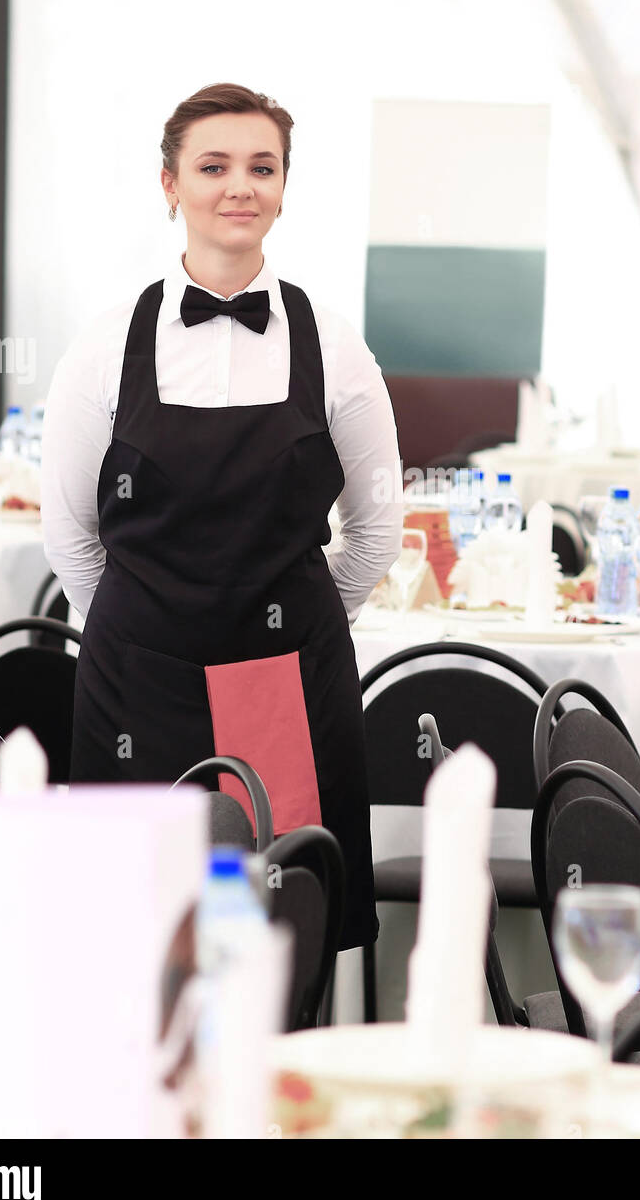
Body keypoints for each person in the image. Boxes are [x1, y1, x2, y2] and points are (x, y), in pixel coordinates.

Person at [41, 83, 403, 950]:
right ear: (170, 185)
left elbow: (378, 531)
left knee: (280, 942)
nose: (239, 186)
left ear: (283, 189)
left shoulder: (336, 346)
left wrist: (301, 628)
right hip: (136, 687)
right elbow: (69, 536)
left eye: (261, 167)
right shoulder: (102, 346)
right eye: (214, 166)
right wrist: (150, 628)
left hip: (286, 681)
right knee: (138, 944)